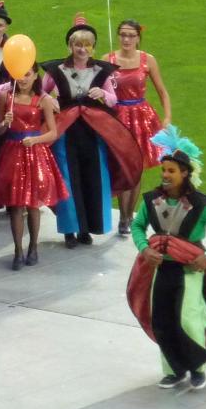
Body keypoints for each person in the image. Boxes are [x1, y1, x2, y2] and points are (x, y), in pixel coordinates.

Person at [127, 128, 206, 392]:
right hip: (161, 268)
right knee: (162, 319)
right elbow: (138, 226)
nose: (165, 175)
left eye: (171, 171)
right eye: (164, 170)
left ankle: (197, 368)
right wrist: (145, 249)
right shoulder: (151, 200)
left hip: (190, 269)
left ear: (185, 173)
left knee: (188, 319)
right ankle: (173, 370)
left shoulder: (202, 204)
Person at [43, 17, 142, 247]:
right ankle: (70, 229)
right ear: (70, 46)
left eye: (87, 45)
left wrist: (103, 95)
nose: (82, 49)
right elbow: (41, 91)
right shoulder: (55, 70)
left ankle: (86, 228)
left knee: (91, 178)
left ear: (93, 47)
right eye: (78, 45)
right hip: (65, 133)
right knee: (68, 179)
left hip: (93, 133)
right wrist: (49, 99)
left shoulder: (102, 71)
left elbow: (113, 100)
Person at [0, 64, 66, 270]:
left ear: (35, 76)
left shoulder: (44, 100)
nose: (22, 79)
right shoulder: (6, 97)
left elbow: (53, 132)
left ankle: (33, 247)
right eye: (20, 74)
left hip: (34, 154)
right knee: (15, 205)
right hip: (12, 153)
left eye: (27, 74)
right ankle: (17, 250)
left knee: (32, 205)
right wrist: (5, 122)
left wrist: (36, 139)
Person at [108, 19, 172, 235]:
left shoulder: (147, 60)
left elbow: (162, 92)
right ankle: (124, 215)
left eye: (130, 35)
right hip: (118, 118)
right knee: (123, 167)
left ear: (138, 37)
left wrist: (167, 118)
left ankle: (127, 216)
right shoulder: (108, 60)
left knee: (137, 168)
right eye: (123, 35)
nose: (126, 39)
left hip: (141, 118)